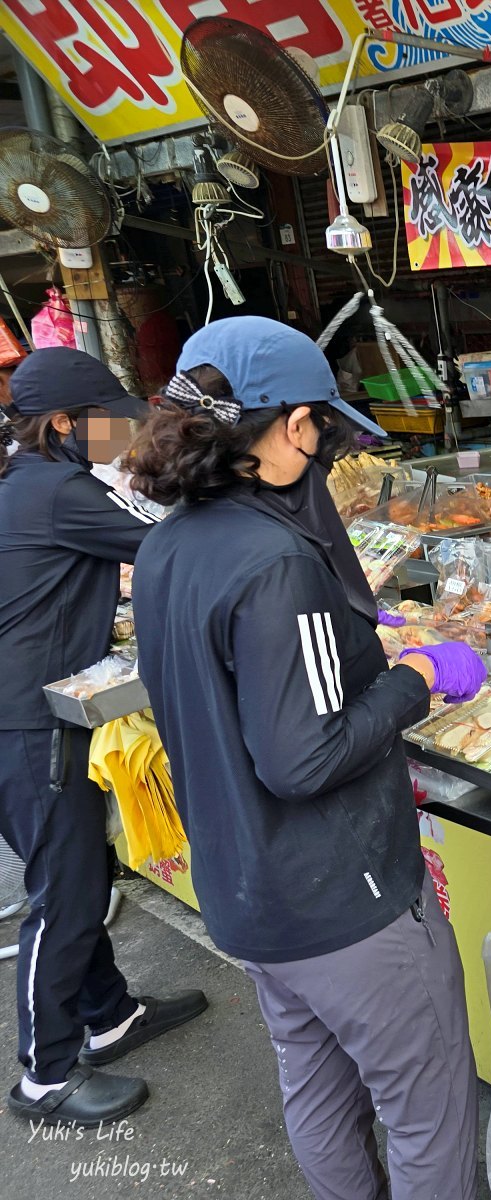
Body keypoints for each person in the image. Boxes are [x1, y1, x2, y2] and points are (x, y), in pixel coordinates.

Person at [129, 316, 485, 1200]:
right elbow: (303, 757)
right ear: (291, 426)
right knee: (426, 1108)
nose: (324, 443)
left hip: (246, 892)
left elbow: (243, 680)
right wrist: (413, 677)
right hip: (345, 905)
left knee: (317, 1089)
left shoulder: (171, 541)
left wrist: (354, 641)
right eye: (320, 425)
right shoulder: (276, 558)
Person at [0, 348, 207, 1126]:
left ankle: (110, 1016)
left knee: (75, 870)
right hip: (25, 720)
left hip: (25, 710)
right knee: (65, 893)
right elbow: (174, 538)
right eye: (110, 416)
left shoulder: (28, 483)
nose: (126, 427)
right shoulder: (58, 491)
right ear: (62, 425)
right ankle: (44, 1078)